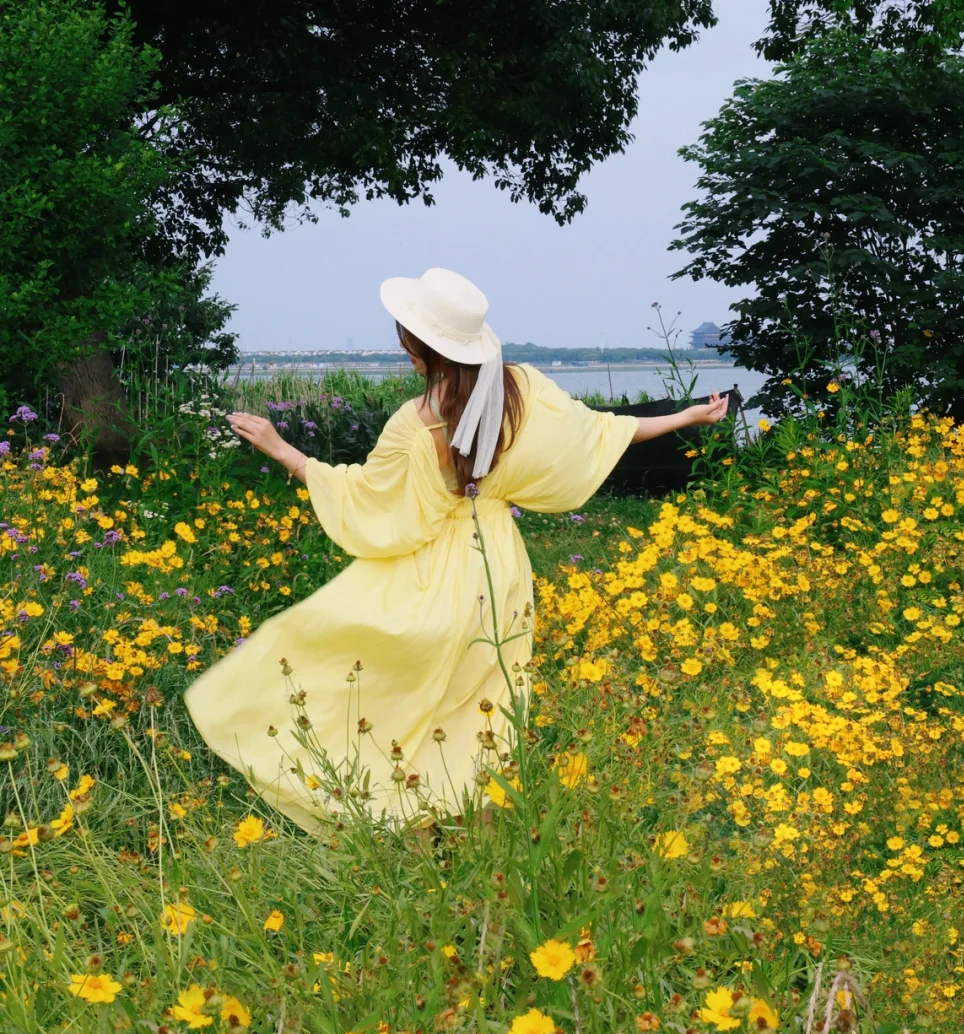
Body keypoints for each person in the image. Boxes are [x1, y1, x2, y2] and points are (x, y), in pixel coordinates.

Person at [184, 268, 729, 833]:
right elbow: (601, 430)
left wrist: (284, 450)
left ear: (417, 348)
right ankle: (480, 832)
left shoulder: (416, 423)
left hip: (435, 569)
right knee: (485, 698)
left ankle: (409, 822)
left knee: (374, 673)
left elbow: (369, 499)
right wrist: (687, 415)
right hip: (499, 566)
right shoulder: (523, 390)